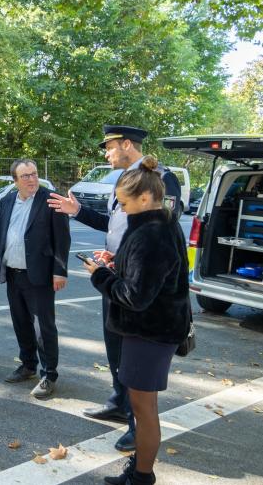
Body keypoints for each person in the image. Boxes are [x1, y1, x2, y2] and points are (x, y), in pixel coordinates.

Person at [47, 124, 182, 452]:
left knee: (134, 356)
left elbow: (157, 234)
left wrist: (120, 262)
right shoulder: (122, 182)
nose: (106, 154)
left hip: (139, 287)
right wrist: (77, 211)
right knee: (115, 349)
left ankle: (138, 425)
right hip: (117, 274)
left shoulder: (160, 179)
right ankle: (120, 403)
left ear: (126, 144)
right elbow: (115, 225)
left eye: (108, 147)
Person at [82, 155, 191, 485]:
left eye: (125, 203)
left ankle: (142, 477)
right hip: (152, 330)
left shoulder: (151, 234)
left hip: (149, 333)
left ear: (145, 198)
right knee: (144, 409)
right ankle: (141, 470)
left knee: (144, 412)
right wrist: (118, 262)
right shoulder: (158, 223)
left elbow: (136, 296)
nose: (122, 209)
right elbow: (149, 276)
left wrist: (101, 275)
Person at [0, 159, 71, 399]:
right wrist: (1, 266)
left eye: (34, 174)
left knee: (43, 328)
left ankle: (49, 375)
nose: (31, 179)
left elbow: (62, 239)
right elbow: (4, 235)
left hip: (40, 275)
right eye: (25, 176)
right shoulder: (7, 201)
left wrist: (60, 271)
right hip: (13, 273)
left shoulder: (51, 200)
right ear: (15, 181)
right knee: (20, 323)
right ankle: (28, 365)